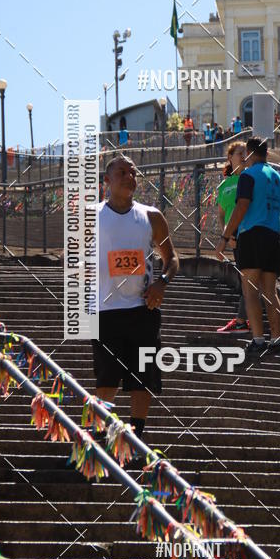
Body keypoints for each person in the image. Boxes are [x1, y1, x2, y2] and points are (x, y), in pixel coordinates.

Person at [92, 155, 179, 444]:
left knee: (143, 378)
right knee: (106, 380)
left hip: (143, 309)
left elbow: (173, 259)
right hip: (105, 311)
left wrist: (162, 283)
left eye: (133, 172)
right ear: (107, 180)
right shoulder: (90, 217)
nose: (130, 176)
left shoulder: (151, 216)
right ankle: (97, 440)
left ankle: (134, 440)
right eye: (122, 172)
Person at [216, 137, 280, 358]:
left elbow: (242, 206)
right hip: (274, 235)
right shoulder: (278, 178)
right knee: (270, 291)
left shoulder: (248, 175)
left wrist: (225, 237)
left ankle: (257, 340)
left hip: (252, 234)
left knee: (250, 291)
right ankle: (276, 340)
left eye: (245, 152)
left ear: (250, 153)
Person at [215, 141, 249, 333]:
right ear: (230, 157)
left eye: (245, 152)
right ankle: (243, 320)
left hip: (248, 232)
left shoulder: (249, 177)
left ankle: (242, 320)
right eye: (239, 152)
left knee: (249, 280)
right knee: (245, 279)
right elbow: (221, 214)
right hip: (233, 237)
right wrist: (226, 236)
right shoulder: (224, 184)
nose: (243, 155)